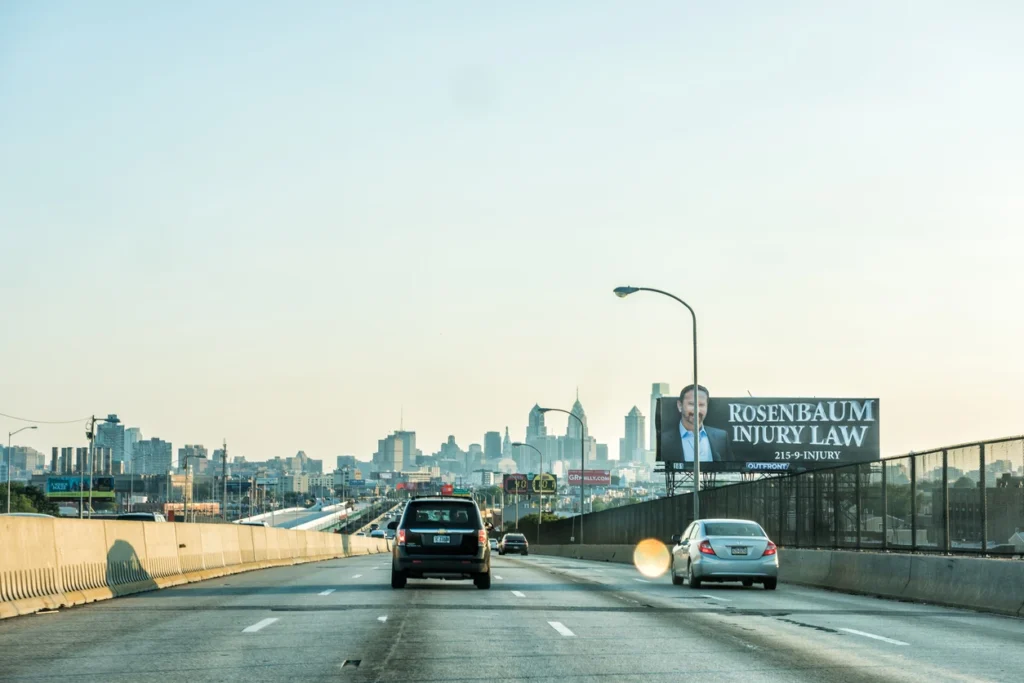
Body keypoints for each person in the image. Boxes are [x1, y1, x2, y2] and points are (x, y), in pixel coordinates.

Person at [659, 384, 733, 463]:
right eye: (691, 404)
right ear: (680, 406)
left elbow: (730, 468)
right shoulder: (664, 440)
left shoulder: (721, 437)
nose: (697, 410)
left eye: (701, 405)